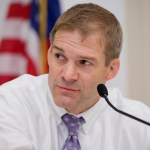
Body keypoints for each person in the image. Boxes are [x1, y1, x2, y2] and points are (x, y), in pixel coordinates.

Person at [0, 3, 150, 150]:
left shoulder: (141, 123)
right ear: (49, 53)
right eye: (59, 56)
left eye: (84, 62)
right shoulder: (12, 102)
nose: (67, 75)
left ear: (111, 69)